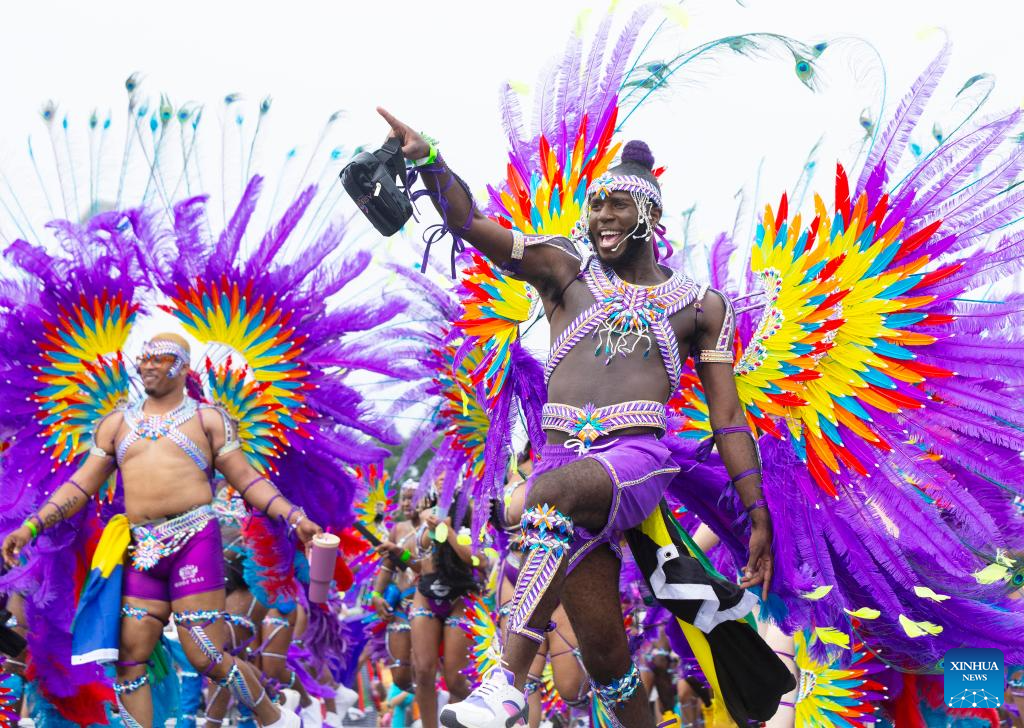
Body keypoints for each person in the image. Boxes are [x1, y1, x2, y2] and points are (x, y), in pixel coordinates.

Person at [376, 108, 773, 728]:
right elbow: (469, 222)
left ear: (651, 216)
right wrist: (429, 161)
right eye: (595, 205)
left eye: (617, 204)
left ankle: (506, 685)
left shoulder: (701, 306)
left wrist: (755, 511)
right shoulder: (564, 269)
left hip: (635, 461)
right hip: (563, 465)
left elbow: (727, 417)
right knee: (606, 660)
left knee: (549, 494)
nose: (602, 216)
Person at [1, 333, 321, 728]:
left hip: (194, 540)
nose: (148, 364)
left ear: (183, 367)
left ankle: (276, 720)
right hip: (142, 547)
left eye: (161, 357)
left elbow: (247, 479)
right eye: (145, 357)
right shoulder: (116, 424)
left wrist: (294, 517)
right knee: (129, 659)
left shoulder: (208, 420)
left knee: (205, 653)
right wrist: (32, 526)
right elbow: (80, 486)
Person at [372, 480, 426, 693]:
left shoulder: (430, 527)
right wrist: (377, 594)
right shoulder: (398, 529)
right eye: (403, 498)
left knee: (425, 670)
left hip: (427, 605)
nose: (405, 503)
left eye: (412, 498)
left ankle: (433, 702)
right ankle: (430, 698)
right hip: (402, 607)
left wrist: (399, 551)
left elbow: (423, 566)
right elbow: (388, 566)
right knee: (400, 677)